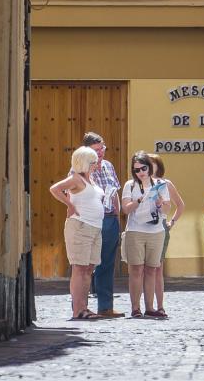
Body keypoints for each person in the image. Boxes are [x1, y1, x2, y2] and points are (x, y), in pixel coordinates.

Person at [49, 146, 104, 320]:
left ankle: (84, 307)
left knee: (88, 268)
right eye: (93, 162)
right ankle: (78, 310)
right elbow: (54, 189)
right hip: (80, 226)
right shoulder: (75, 179)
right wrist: (70, 205)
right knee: (79, 268)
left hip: (95, 227)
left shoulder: (91, 180)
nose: (96, 164)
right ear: (86, 162)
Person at [82, 131, 124, 318]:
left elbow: (114, 192)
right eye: (96, 150)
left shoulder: (108, 166)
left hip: (109, 219)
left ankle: (105, 307)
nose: (100, 153)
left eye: (102, 148)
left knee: (107, 264)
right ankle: (81, 307)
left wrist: (117, 216)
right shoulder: (80, 168)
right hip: (91, 219)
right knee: (87, 265)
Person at [121, 150, 168, 318]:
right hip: (136, 231)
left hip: (156, 231)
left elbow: (167, 209)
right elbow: (125, 209)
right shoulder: (130, 185)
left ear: (149, 167)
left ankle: (150, 308)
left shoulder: (160, 184)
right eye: (136, 170)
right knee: (136, 269)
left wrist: (160, 203)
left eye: (143, 168)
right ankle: (135, 308)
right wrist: (139, 200)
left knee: (152, 270)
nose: (140, 172)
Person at [148, 153, 185, 319]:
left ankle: (160, 305)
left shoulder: (166, 183)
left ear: (158, 166)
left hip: (160, 226)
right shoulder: (139, 183)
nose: (148, 166)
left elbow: (180, 205)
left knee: (157, 268)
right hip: (142, 226)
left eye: (151, 163)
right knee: (143, 268)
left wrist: (172, 222)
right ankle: (146, 305)